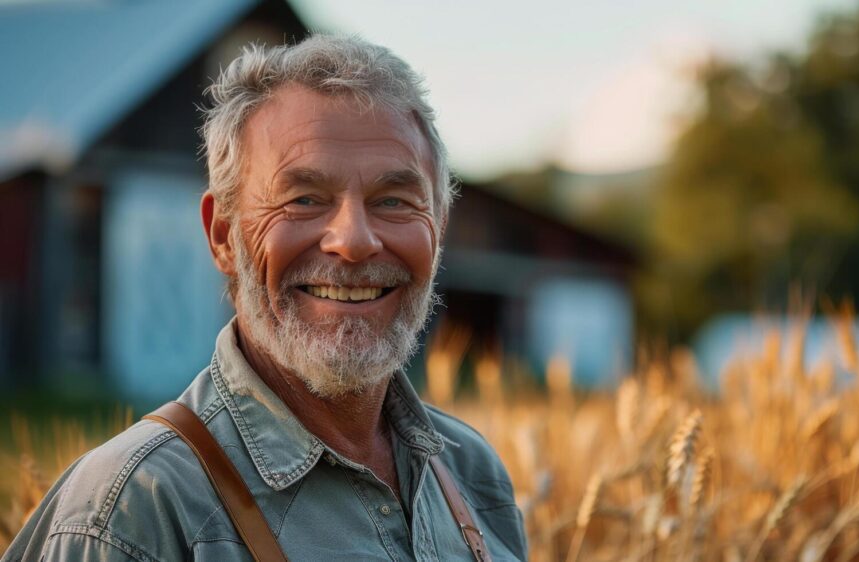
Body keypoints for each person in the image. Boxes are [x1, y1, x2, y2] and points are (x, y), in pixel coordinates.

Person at [3, 35, 527, 561]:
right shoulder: (134, 513)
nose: (355, 240)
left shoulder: (472, 472)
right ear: (223, 237)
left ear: (438, 226)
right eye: (303, 199)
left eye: (393, 200)